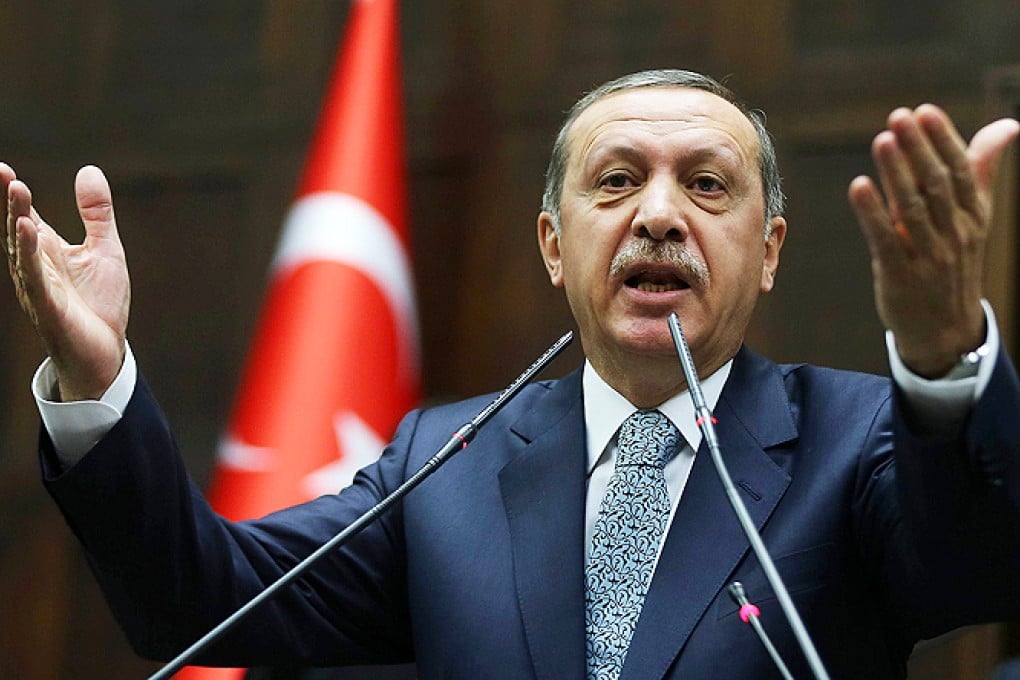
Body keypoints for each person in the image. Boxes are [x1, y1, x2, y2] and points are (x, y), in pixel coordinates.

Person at [3, 69, 1020, 679]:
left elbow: (972, 562)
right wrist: (98, 386)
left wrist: (940, 359)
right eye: (616, 180)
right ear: (551, 242)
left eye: (708, 185)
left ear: (768, 249)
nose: (659, 214)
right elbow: (199, 597)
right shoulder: (445, 463)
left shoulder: (863, 438)